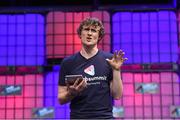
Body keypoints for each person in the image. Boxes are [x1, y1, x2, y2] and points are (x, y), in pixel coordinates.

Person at [58, 17, 127, 119]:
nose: (89, 33)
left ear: (99, 36)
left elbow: (117, 95)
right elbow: (61, 99)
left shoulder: (110, 60)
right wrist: (72, 93)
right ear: (80, 34)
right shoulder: (68, 62)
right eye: (86, 29)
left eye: (94, 30)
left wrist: (116, 70)